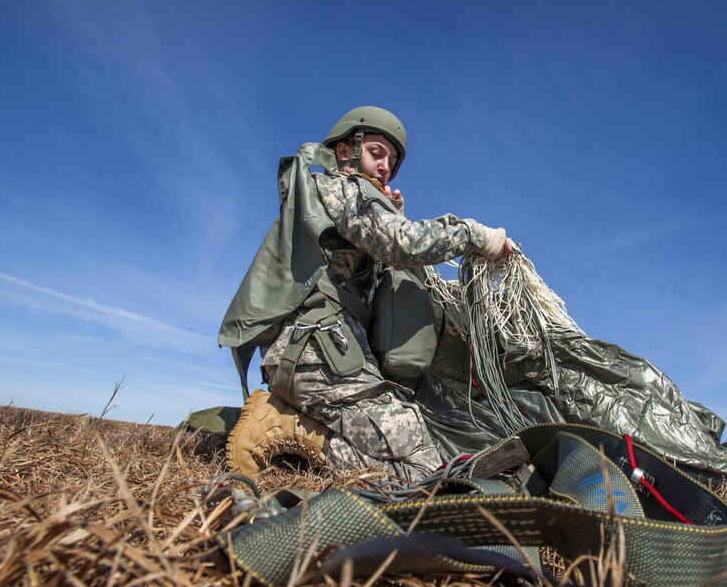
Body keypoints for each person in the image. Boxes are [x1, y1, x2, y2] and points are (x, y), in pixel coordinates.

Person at [219, 106, 512, 480]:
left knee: (409, 447)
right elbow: (400, 244)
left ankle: (294, 433)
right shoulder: (344, 187)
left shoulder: (346, 197)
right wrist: (475, 235)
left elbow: (380, 266)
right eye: (377, 153)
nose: (386, 166)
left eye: (392, 160)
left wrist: (392, 212)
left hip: (329, 352)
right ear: (346, 151)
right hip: (317, 351)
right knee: (419, 466)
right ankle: (286, 426)